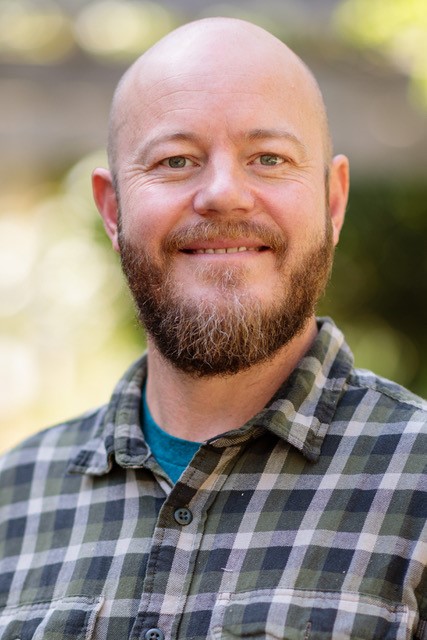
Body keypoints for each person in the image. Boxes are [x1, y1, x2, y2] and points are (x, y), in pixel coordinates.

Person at [0, 17, 425, 640]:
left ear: (333, 202)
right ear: (113, 210)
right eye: (176, 160)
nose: (224, 194)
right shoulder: (13, 499)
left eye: (269, 158)